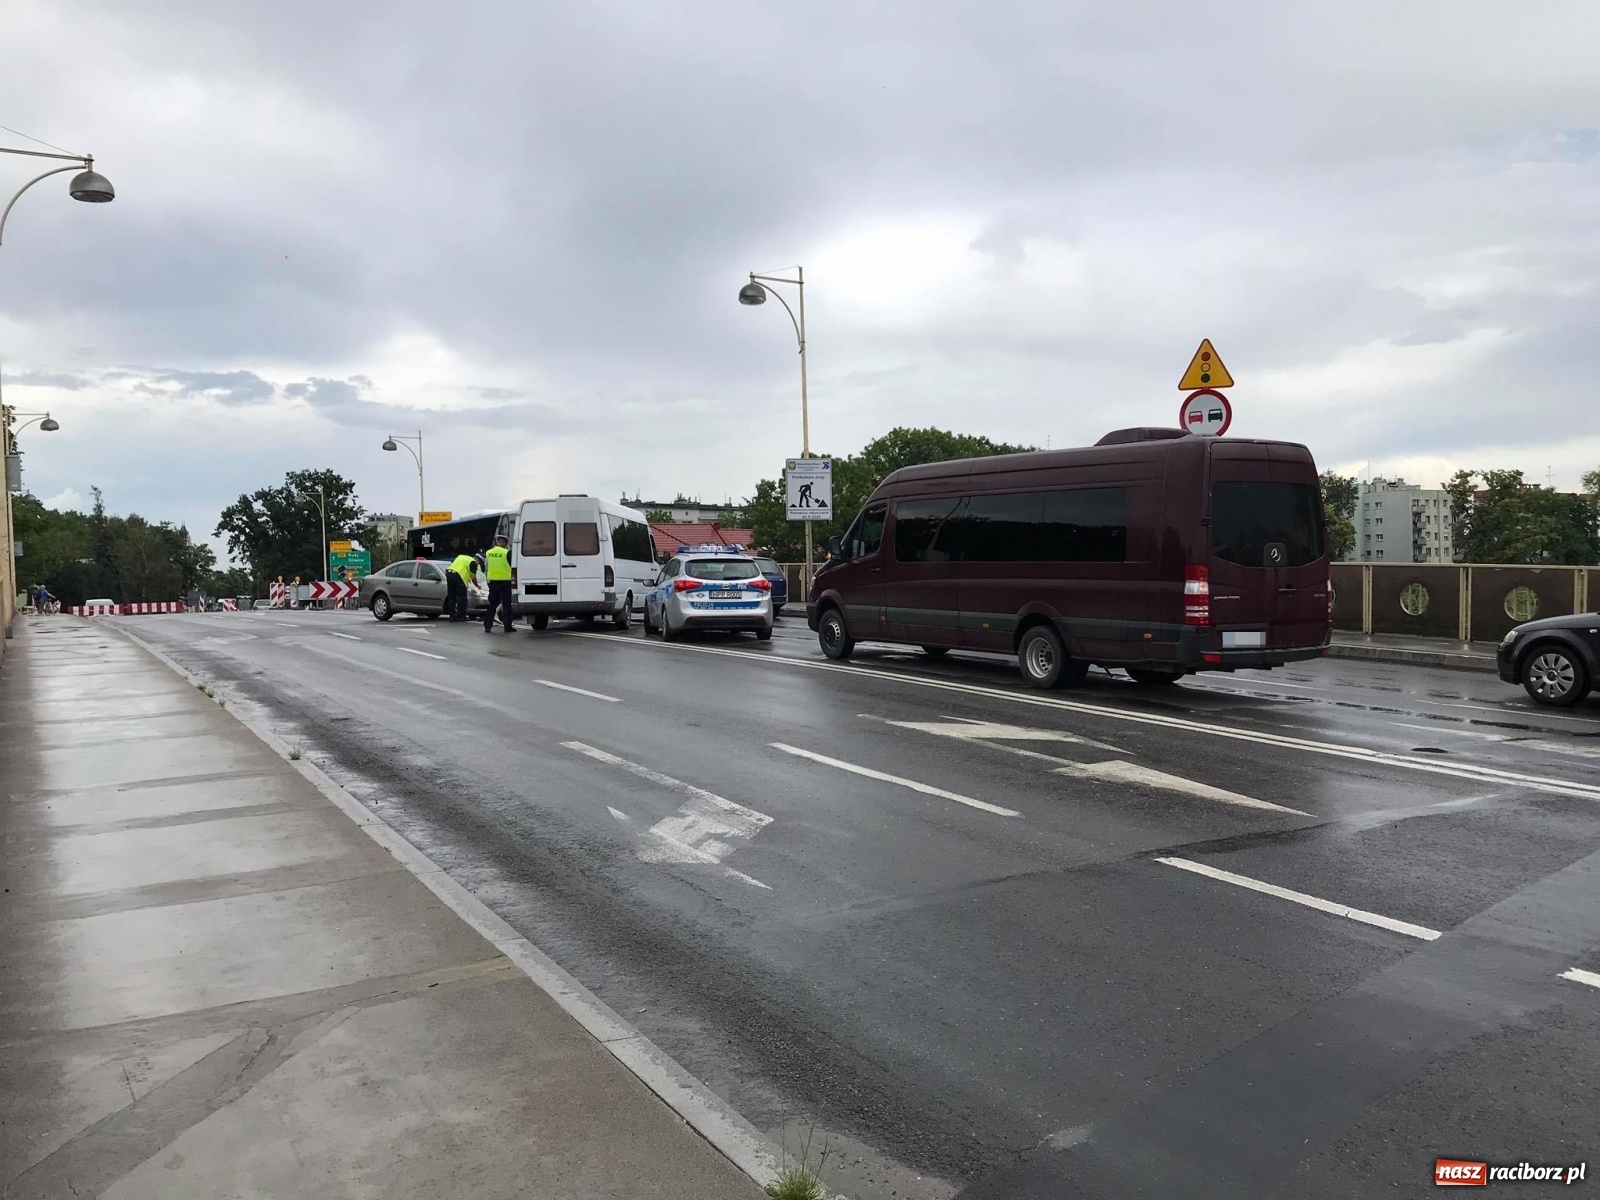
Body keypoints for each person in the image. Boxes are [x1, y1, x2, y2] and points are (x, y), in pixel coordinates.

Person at [483, 533, 515, 632]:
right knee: (506, 604)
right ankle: (507, 626)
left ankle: (487, 626)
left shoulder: (488, 553)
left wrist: (487, 580)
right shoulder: (507, 552)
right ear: (505, 543)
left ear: (496, 542)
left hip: (493, 582)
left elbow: (486, 567)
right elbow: (512, 567)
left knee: (492, 604)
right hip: (506, 581)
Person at [446, 551, 476, 621]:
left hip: (449, 573)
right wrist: (477, 585)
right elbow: (473, 577)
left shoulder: (460, 557)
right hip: (458, 576)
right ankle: (461, 616)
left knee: (452, 596)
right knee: (462, 598)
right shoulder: (473, 563)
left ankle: (452, 616)